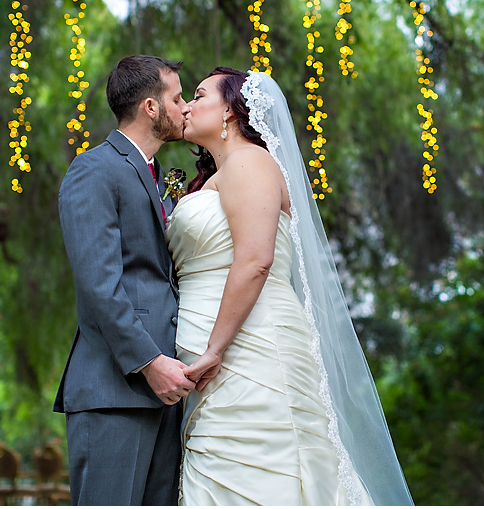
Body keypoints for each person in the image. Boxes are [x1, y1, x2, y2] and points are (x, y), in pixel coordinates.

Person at [167, 67, 413, 505]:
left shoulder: (250, 161)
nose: (185, 105)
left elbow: (256, 260)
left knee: (266, 471)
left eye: (199, 95)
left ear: (229, 109)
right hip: (217, 352)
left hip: (253, 346)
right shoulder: (218, 175)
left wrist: (214, 348)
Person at [54, 55, 194, 505]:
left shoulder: (155, 176)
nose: (185, 107)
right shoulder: (93, 169)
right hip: (115, 389)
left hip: (168, 392)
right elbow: (100, 285)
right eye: (177, 98)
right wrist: (150, 362)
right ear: (151, 107)